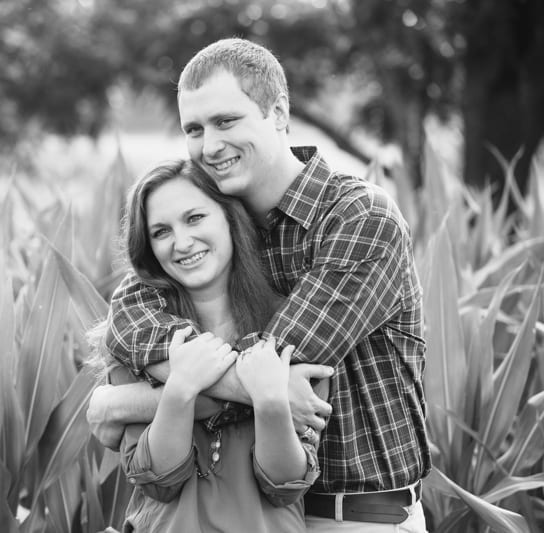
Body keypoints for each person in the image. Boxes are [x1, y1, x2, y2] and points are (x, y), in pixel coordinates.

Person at [88, 37, 430, 532]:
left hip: (355, 516)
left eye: (227, 121)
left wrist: (119, 402)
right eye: (194, 129)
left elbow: (272, 364)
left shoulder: (357, 217)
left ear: (278, 113)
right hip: (255, 516)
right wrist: (132, 390)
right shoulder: (216, 225)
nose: (210, 145)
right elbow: (131, 319)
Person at [88, 159, 324, 532]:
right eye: (161, 231)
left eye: (195, 218)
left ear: (230, 218)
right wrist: (180, 389)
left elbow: (285, 486)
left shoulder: (290, 326)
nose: (182, 243)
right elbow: (158, 481)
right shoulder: (142, 342)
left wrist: (271, 402)